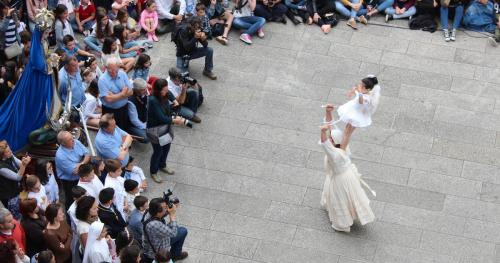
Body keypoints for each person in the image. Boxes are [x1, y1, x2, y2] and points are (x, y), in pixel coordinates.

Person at [319, 107, 375, 232]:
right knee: (350, 196)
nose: (329, 138)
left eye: (331, 139)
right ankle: (352, 214)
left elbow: (325, 144)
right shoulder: (342, 146)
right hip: (346, 176)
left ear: (334, 143)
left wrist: (322, 133)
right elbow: (339, 130)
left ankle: (342, 223)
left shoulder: (335, 155)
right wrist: (328, 113)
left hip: (340, 180)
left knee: (340, 198)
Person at [147, 79, 188, 183]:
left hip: (165, 127)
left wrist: (174, 100)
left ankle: (162, 165)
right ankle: (153, 171)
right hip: (155, 129)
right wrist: (176, 121)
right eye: (164, 90)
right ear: (158, 90)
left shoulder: (164, 93)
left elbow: (169, 94)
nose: (166, 92)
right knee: (158, 151)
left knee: (166, 147)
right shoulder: (152, 100)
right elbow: (162, 118)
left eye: (166, 89)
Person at [335, 75, 381, 149]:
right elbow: (349, 95)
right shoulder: (361, 92)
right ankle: (342, 146)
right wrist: (353, 91)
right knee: (346, 130)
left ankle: (342, 148)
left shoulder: (367, 98)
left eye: (362, 86)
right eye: (360, 84)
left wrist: (359, 92)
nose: (360, 86)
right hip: (352, 111)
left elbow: (361, 101)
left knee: (348, 132)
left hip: (357, 115)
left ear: (368, 89)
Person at [141, 198, 188, 263]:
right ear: (158, 212)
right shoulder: (155, 224)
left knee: (177, 227)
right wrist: (172, 214)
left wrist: (170, 209)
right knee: (183, 231)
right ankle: (175, 255)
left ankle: (176, 253)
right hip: (158, 252)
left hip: (154, 243)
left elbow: (161, 215)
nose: (167, 208)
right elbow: (174, 233)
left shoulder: (149, 212)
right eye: (165, 208)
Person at [55, 131, 90, 210]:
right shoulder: (60, 156)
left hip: (80, 177)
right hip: (70, 183)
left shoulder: (76, 142)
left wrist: (81, 163)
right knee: (71, 201)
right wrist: (83, 162)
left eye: (72, 137)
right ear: (63, 143)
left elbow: (87, 154)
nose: (73, 140)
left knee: (83, 197)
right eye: (70, 140)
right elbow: (75, 171)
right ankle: (70, 218)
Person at [98, 57, 134, 129]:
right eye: (111, 70)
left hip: (124, 108)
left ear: (118, 67)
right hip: (111, 112)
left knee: (125, 127)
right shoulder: (102, 80)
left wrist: (114, 96)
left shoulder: (122, 74)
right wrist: (122, 93)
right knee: (113, 130)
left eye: (116, 70)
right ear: (106, 68)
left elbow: (131, 92)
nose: (114, 73)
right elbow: (108, 100)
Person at [0, 140, 30, 219]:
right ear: (2, 156)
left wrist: (24, 161)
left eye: (10, 149)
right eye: (8, 151)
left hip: (15, 190)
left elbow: (20, 164)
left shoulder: (10, 155)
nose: (11, 151)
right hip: (8, 194)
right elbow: (17, 177)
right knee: (13, 215)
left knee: (18, 208)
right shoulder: (1, 168)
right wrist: (24, 164)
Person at [67, 186, 86, 263]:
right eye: (82, 198)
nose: (84, 199)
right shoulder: (72, 210)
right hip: (79, 232)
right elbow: (78, 224)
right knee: (77, 249)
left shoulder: (84, 202)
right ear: (75, 198)